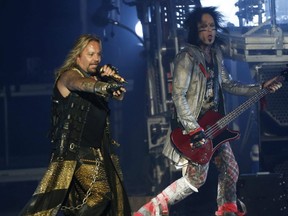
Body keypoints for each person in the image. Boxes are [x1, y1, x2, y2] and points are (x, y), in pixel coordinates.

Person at [134, 6, 282, 216]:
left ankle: (227, 209)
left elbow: (229, 84)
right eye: (204, 27)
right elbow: (178, 96)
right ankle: (149, 210)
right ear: (195, 30)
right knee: (196, 179)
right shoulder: (186, 58)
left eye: (212, 26)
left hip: (213, 125)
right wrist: (194, 130)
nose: (209, 31)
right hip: (195, 130)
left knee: (230, 170)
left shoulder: (216, 54)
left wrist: (261, 87)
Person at [20, 34, 131, 216]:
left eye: (98, 54)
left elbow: (120, 95)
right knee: (101, 194)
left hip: (97, 153)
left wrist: (111, 80)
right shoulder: (68, 75)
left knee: (83, 207)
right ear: (78, 55)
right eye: (91, 54)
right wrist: (102, 86)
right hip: (75, 153)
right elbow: (80, 84)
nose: (96, 58)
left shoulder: (96, 77)